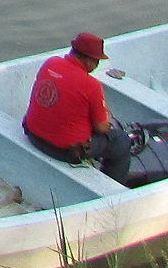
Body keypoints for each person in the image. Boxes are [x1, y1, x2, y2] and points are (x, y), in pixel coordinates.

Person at [23, 32, 133, 183]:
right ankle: (112, 188)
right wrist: (107, 124)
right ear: (88, 60)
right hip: (64, 152)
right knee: (120, 141)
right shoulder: (91, 85)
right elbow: (101, 129)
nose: (97, 65)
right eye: (97, 61)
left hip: (32, 136)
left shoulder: (50, 63)